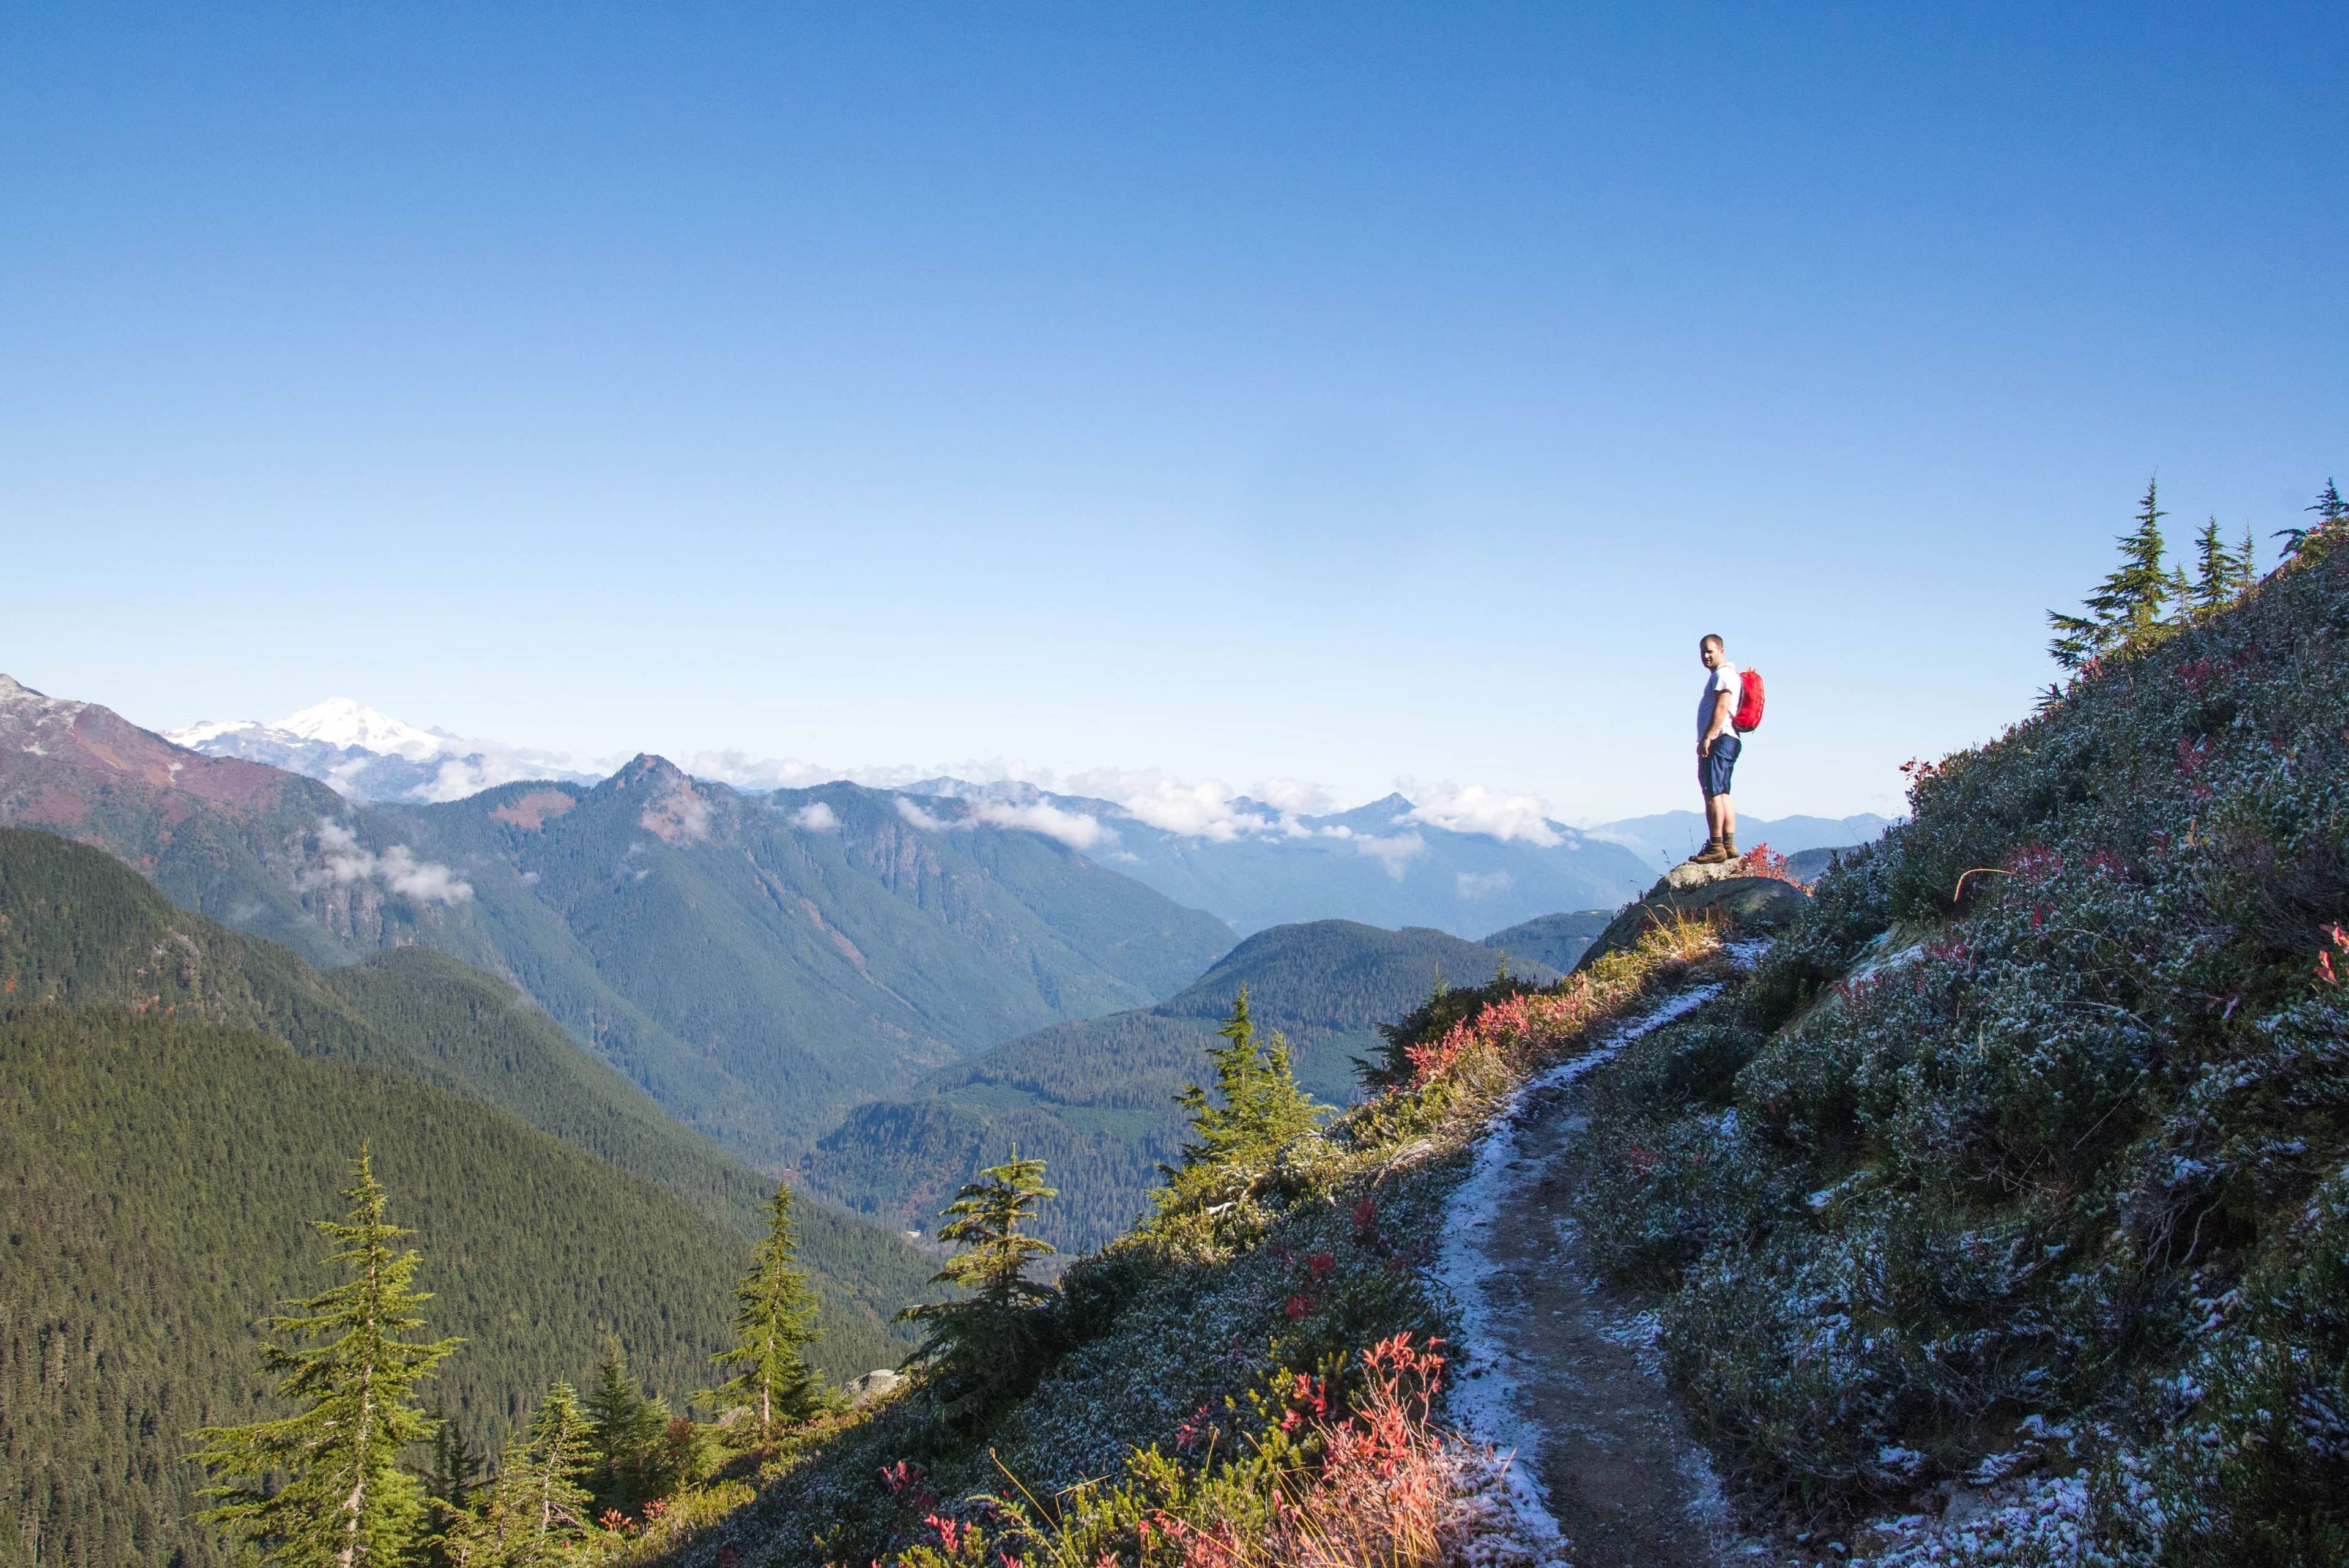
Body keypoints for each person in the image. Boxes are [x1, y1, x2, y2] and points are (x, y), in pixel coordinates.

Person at [1691, 634, 1741, 864]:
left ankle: (1716, 845)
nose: (1706, 656)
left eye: (1710, 651)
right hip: (1727, 739)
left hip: (1719, 738)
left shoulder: (1723, 674)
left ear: (1721, 650)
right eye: (1703, 652)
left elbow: (1722, 706)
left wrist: (1707, 737)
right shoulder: (1727, 674)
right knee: (1722, 792)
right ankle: (1728, 844)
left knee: (1712, 793)